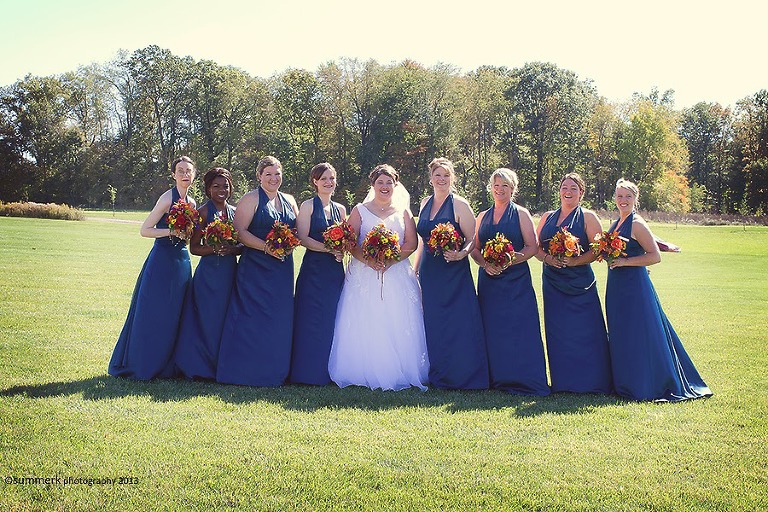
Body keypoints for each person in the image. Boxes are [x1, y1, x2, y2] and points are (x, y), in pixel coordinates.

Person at [605, 178, 712, 402]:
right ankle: (626, 382)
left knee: (640, 332)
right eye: (619, 196)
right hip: (617, 285)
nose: (623, 200)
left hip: (635, 286)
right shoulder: (616, 223)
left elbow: (655, 256)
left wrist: (625, 262)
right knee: (622, 331)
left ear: (635, 199)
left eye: (628, 196)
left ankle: (645, 383)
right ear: (614, 198)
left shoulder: (637, 224)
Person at [328, 164, 429, 391]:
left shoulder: (404, 212)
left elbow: (411, 243)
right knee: (367, 317)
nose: (385, 186)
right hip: (364, 274)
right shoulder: (360, 210)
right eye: (380, 182)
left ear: (395, 184)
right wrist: (370, 261)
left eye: (389, 182)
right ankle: (361, 368)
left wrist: (391, 260)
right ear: (373, 185)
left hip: (396, 273)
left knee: (397, 317)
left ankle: (401, 368)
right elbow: (351, 242)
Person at [108, 156, 197, 380]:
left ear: (194, 175)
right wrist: (171, 232)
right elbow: (145, 229)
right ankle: (144, 363)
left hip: (182, 261)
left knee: (175, 312)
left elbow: (188, 236)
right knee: (154, 312)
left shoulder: (192, 203)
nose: (185, 174)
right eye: (180, 171)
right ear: (173, 175)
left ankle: (169, 364)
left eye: (188, 171)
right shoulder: (167, 198)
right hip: (162, 260)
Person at [216, 156, 299, 387]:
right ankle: (242, 371)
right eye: (268, 174)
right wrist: (266, 247)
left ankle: (274, 370)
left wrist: (289, 244)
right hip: (255, 267)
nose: (273, 178)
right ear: (259, 176)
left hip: (282, 268)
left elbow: (298, 231)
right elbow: (239, 232)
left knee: (278, 317)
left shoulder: (290, 200)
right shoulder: (251, 199)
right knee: (251, 316)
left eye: (277, 173)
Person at [470, 168, 549, 396]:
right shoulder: (482, 216)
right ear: (490, 188)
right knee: (492, 328)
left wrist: (509, 260)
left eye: (505, 185)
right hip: (489, 281)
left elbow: (532, 247)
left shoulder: (521, 214)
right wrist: (485, 264)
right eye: (496, 185)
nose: (499, 189)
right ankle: (496, 377)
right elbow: (475, 248)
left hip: (516, 281)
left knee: (519, 328)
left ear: (513, 189)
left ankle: (524, 378)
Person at [413, 157, 488, 390]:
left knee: (458, 321)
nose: (442, 179)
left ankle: (464, 375)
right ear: (430, 178)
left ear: (452, 178)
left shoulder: (460, 204)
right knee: (433, 321)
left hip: (453, 272)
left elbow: (472, 239)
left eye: (446, 175)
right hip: (429, 272)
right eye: (437, 175)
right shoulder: (425, 202)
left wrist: (461, 254)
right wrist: (415, 270)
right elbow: (421, 241)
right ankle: (438, 372)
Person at [535, 173, 613, 394]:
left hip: (580, 284)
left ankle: (593, 381)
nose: (568, 191)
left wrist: (575, 261)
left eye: (573, 188)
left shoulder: (588, 217)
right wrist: (548, 258)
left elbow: (598, 249)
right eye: (564, 187)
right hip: (552, 282)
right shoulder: (547, 217)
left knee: (586, 331)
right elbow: (535, 246)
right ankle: (563, 382)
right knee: (558, 333)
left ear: (581, 193)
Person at [173, 167, 241, 380]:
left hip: (230, 273)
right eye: (216, 186)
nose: (221, 190)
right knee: (207, 319)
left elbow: (242, 245)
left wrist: (232, 249)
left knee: (226, 319)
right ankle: (201, 366)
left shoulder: (236, 212)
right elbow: (194, 248)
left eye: (225, 186)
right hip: (209, 275)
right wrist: (214, 249)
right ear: (208, 189)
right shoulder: (202, 212)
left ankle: (222, 364)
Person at [289, 163, 347, 385]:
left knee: (332, 317)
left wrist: (342, 249)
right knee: (310, 317)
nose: (328, 182)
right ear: (315, 181)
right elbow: (302, 238)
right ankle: (307, 371)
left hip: (334, 270)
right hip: (314, 269)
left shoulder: (340, 209)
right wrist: (328, 249)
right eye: (323, 179)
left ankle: (329, 369)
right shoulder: (307, 206)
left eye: (331, 178)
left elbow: (345, 238)